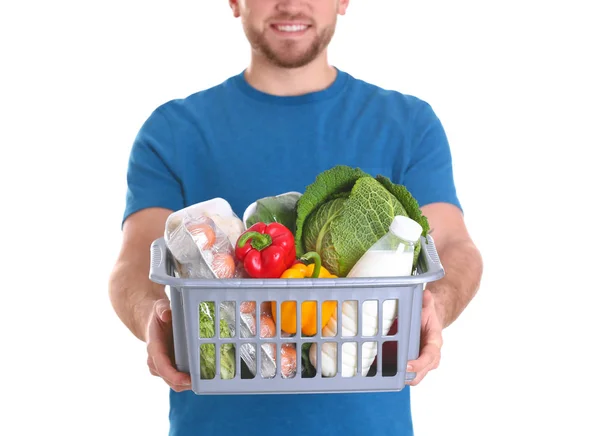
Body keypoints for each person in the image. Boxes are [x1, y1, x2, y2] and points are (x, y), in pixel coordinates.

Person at [108, 1, 484, 434]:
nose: (290, 3)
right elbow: (135, 262)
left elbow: (455, 246)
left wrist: (436, 303)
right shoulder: (172, 130)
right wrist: (150, 317)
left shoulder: (409, 123)